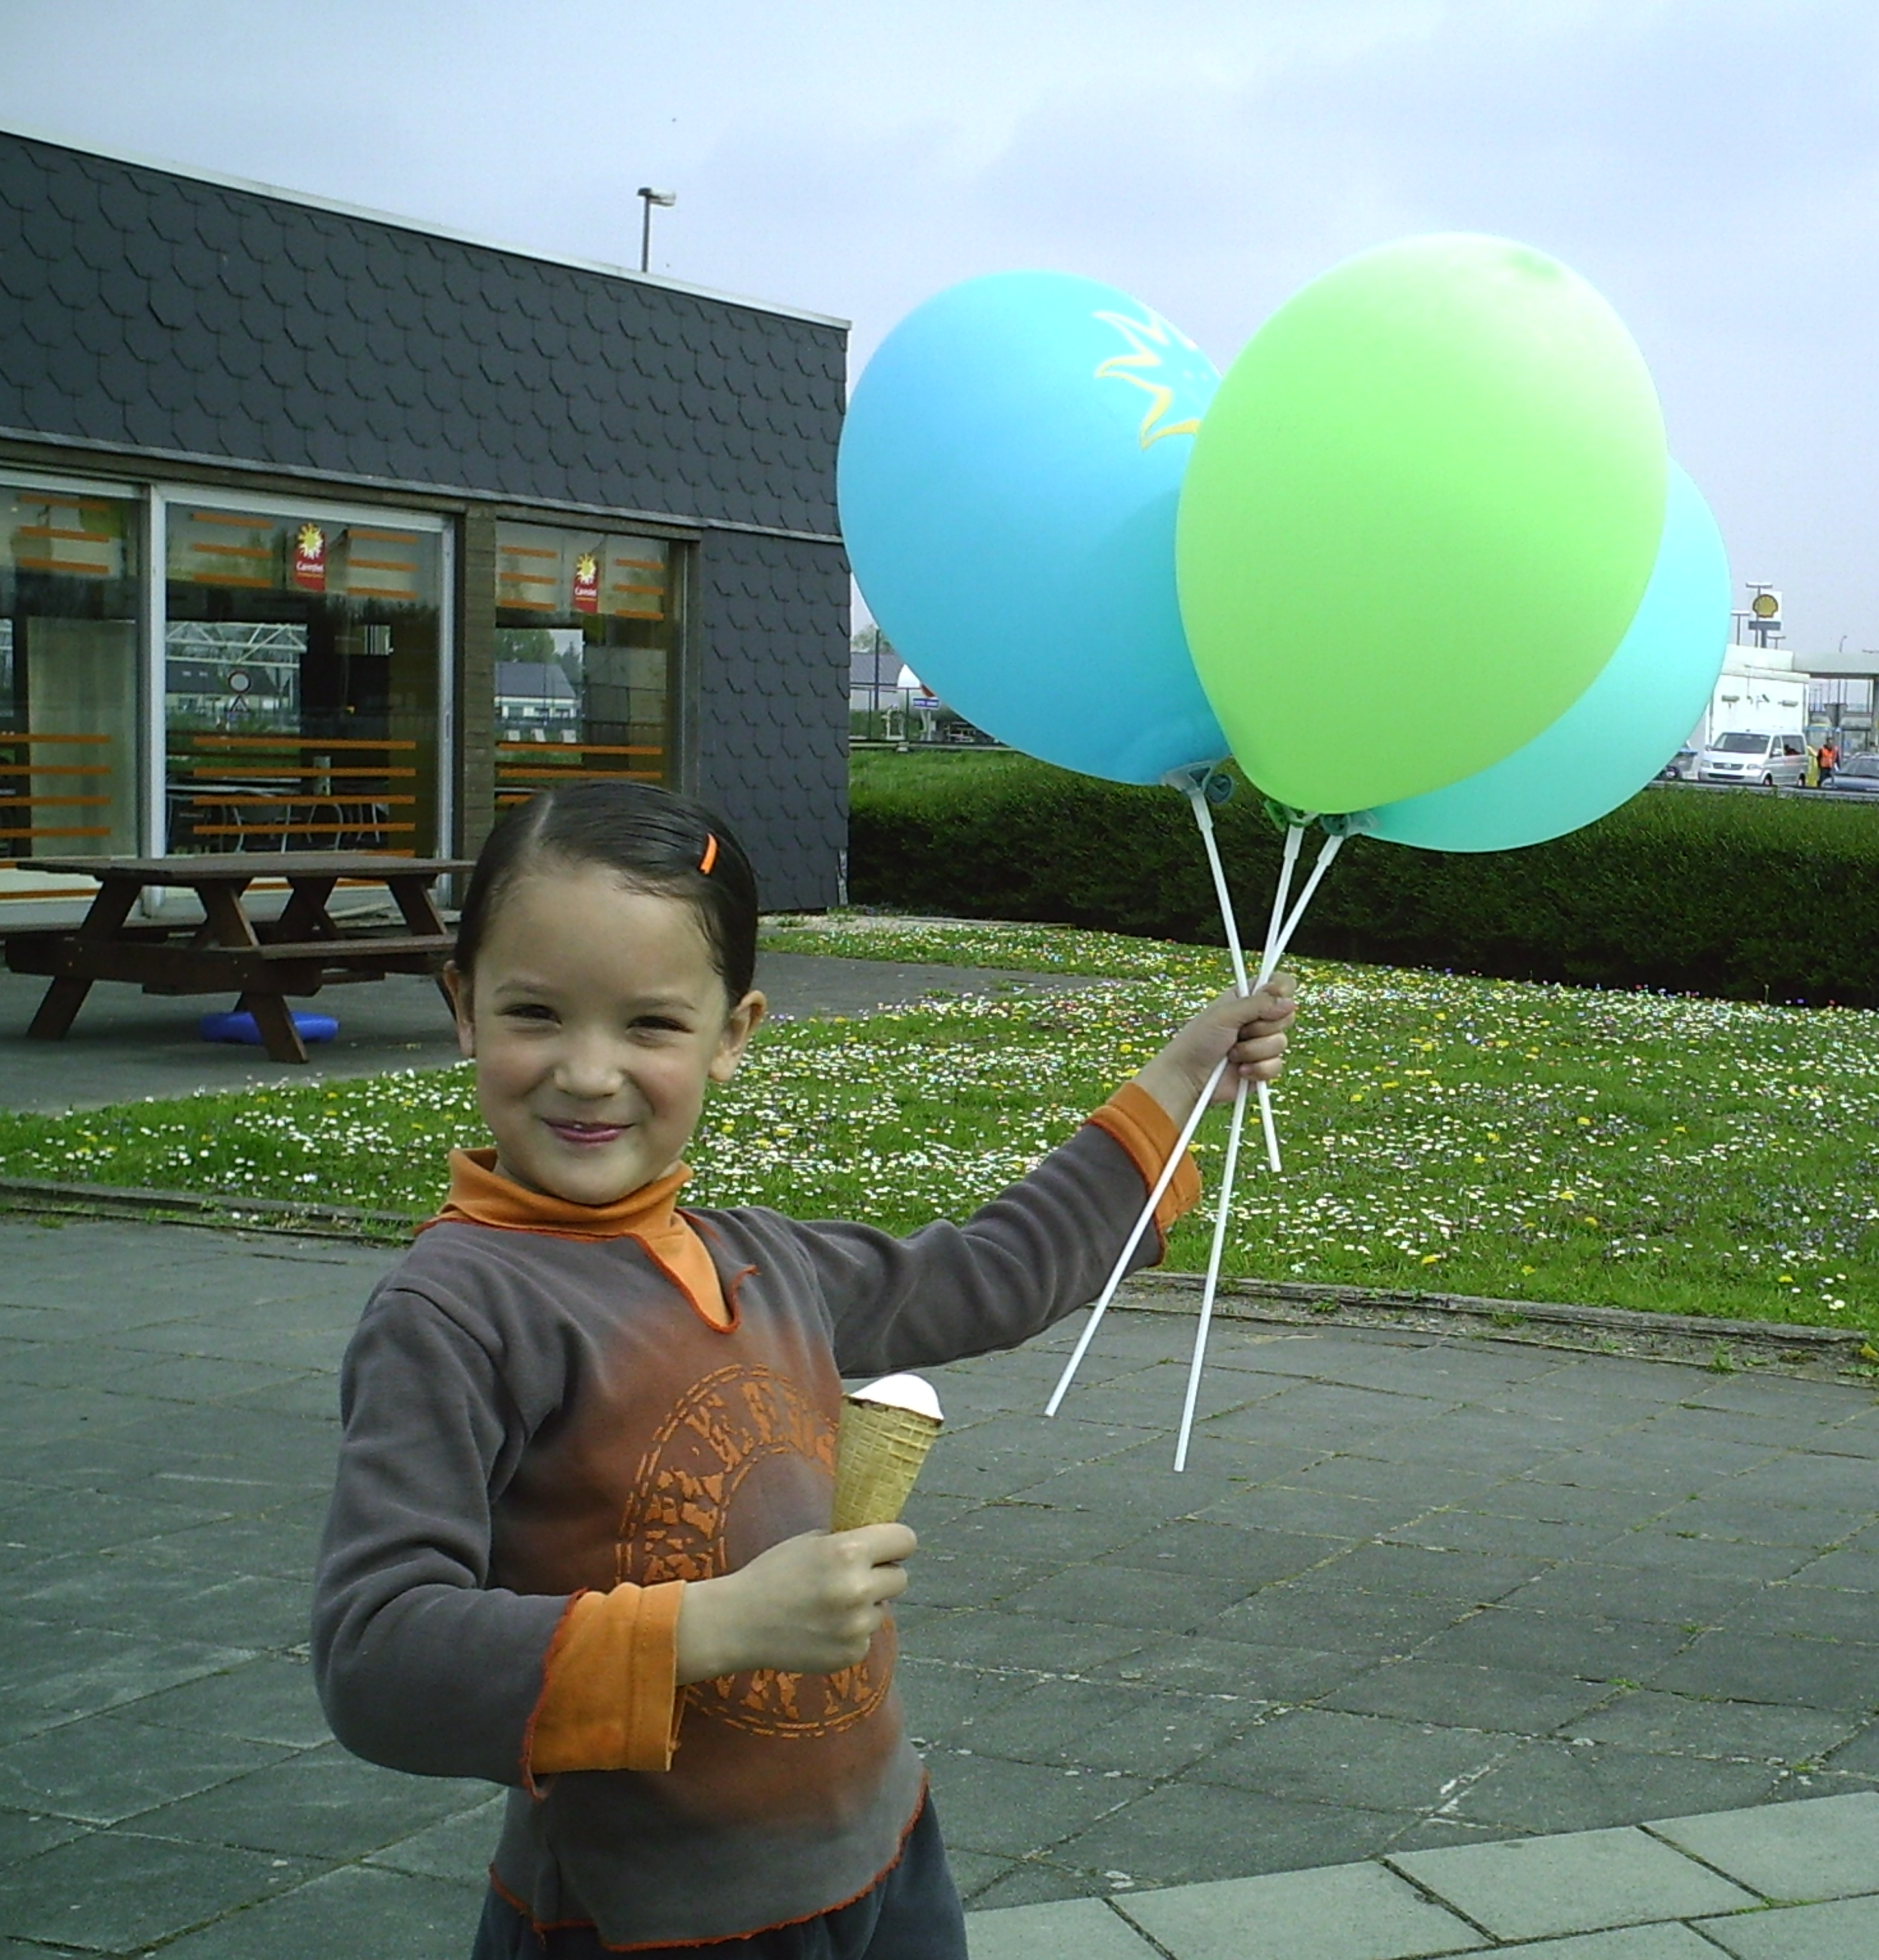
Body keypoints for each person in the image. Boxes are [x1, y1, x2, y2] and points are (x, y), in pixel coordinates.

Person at [310, 779, 1294, 1959]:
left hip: (886, 1859)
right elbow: (376, 1657)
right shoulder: (455, 1312)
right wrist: (712, 1626)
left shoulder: (768, 1261)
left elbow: (995, 1271)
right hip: (656, 1921)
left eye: (650, 1024)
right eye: (536, 1014)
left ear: (733, 1035)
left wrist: (1181, 1080)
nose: (588, 1071)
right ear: (463, 1007)